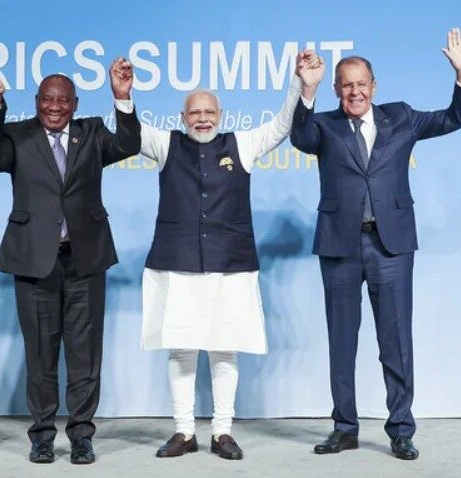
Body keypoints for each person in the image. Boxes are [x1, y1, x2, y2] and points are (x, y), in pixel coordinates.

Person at [290, 28, 461, 460]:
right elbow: (299, 137)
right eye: (346, 84)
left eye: (362, 84)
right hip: (340, 246)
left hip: (391, 246)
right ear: (337, 89)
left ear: (374, 87)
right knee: (342, 342)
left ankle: (400, 429)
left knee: (395, 341)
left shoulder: (402, 117)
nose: (355, 91)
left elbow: (454, 117)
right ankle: (345, 427)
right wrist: (308, 89)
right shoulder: (323, 125)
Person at [138, 50, 323, 460]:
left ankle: (222, 431)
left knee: (225, 347)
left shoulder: (242, 143)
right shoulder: (164, 144)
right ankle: (184, 432)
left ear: (221, 114)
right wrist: (123, 96)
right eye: (194, 113)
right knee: (181, 349)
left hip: (231, 264)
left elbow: (281, 125)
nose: (202, 119)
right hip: (178, 262)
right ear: (183, 118)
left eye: (209, 112)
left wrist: (301, 84)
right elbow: (129, 128)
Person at [0, 58, 140, 464]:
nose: (54, 107)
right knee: (41, 357)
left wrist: (122, 97)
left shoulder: (94, 133)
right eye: (47, 99)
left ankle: (82, 436)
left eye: (63, 101)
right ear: (36, 101)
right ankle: (42, 437)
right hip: (33, 262)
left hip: (85, 261)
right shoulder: (17, 134)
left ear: (76, 104)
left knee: (84, 357)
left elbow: (129, 144)